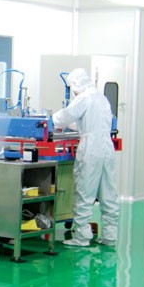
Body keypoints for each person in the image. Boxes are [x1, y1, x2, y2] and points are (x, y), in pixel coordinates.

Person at [52, 68, 119, 247]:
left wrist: (51, 119)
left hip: (91, 149)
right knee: (108, 192)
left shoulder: (84, 98)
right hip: (106, 147)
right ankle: (110, 235)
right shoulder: (101, 98)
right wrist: (73, 126)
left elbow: (64, 116)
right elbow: (90, 121)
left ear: (76, 84)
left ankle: (82, 236)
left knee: (85, 191)